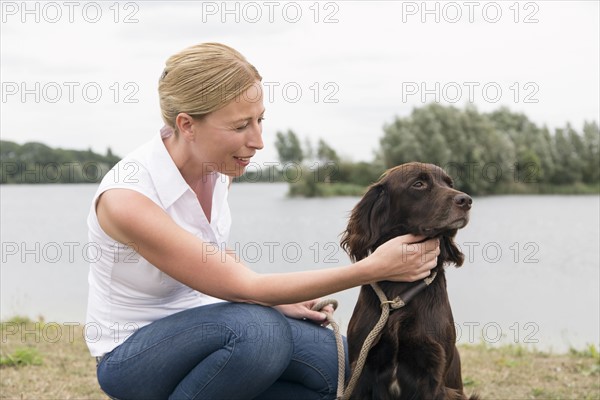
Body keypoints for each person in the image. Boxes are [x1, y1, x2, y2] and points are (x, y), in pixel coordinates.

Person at [86, 42, 439, 400]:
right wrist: (375, 268)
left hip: (212, 331)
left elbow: (211, 252)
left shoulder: (216, 169)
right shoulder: (126, 200)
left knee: (351, 369)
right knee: (259, 333)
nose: (258, 141)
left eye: (259, 120)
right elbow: (245, 288)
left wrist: (278, 300)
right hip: (134, 357)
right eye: (241, 126)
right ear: (187, 125)